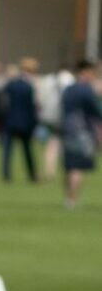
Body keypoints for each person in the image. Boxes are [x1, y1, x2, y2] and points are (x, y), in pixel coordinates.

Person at [61, 60, 101, 210]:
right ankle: (72, 200)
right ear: (86, 72)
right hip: (82, 131)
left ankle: (67, 197)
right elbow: (95, 111)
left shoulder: (68, 89)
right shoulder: (86, 90)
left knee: (69, 166)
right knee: (78, 167)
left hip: (68, 128)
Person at [2, 58, 40, 183]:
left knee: (7, 150)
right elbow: (32, 107)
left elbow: (3, 100)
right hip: (25, 122)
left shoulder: (12, 84)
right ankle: (32, 174)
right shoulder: (29, 87)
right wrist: (34, 123)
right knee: (27, 150)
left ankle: (6, 174)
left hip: (10, 120)